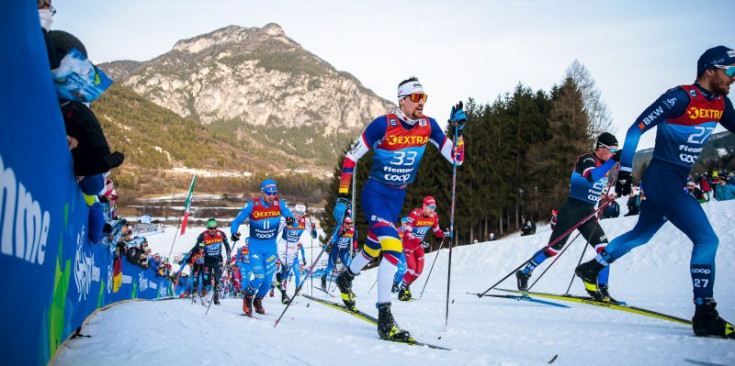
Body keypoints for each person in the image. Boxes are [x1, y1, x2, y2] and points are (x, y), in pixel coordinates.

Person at [575, 46, 735, 339]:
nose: (734, 78)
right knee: (707, 239)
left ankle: (591, 268)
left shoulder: (723, 104)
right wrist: (624, 170)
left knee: (641, 235)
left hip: (673, 180)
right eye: (731, 70)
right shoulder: (679, 97)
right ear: (710, 70)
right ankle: (705, 312)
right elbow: (636, 129)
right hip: (662, 179)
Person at [331, 77, 466, 341]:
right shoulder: (383, 124)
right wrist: (343, 196)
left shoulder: (429, 126)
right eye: (415, 98)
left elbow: (456, 159)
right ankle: (385, 317)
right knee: (392, 248)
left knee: (373, 247)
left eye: (424, 98)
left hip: (397, 197)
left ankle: (345, 278)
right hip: (376, 193)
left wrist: (459, 133)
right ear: (401, 100)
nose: (421, 103)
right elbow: (351, 158)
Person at [516, 132, 621, 303]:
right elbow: (590, 176)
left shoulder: (605, 164)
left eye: (616, 151)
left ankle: (602, 291)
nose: (613, 154)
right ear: (601, 147)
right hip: (572, 210)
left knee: (605, 250)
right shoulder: (587, 159)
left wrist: (605, 196)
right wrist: (613, 161)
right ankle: (525, 272)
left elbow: (593, 188)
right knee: (553, 249)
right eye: (612, 150)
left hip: (588, 213)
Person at [231, 179, 296, 316]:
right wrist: (234, 233)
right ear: (262, 192)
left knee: (267, 281)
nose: (272, 196)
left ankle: (258, 300)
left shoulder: (279, 203)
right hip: (255, 247)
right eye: (269, 193)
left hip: (271, 248)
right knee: (259, 276)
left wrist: (290, 219)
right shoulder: (252, 205)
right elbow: (236, 221)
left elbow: (289, 216)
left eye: (274, 193)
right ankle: (248, 297)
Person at [397, 196, 447, 301]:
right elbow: (407, 233)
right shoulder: (415, 214)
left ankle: (406, 286)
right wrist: (418, 241)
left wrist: (444, 234)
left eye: (434, 207)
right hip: (409, 244)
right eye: (431, 207)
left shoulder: (434, 216)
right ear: (424, 206)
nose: (433, 210)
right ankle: (401, 291)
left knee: (418, 271)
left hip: (418, 245)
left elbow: (436, 231)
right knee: (411, 268)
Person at [276, 203, 315, 304]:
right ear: (294, 211)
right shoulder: (286, 219)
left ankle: (279, 278)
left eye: (301, 213)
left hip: (294, 248)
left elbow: (313, 236)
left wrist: (314, 230)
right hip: (283, 245)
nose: (299, 215)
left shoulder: (305, 222)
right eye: (298, 213)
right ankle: (284, 296)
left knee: (287, 269)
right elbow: (277, 231)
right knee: (285, 267)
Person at [190, 219, 231, 305]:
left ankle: (216, 296)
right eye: (211, 228)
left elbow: (227, 246)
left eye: (214, 228)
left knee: (218, 278)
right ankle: (204, 291)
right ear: (208, 228)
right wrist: (200, 247)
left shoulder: (221, 234)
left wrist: (228, 256)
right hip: (207, 259)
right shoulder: (203, 235)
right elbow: (198, 246)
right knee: (206, 279)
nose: (213, 230)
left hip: (218, 259)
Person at [321, 214, 358, 291]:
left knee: (349, 267)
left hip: (344, 250)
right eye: (348, 223)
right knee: (331, 266)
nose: (350, 225)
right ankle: (323, 277)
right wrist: (340, 234)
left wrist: (354, 250)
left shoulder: (353, 230)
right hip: (335, 249)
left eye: (351, 223)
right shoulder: (339, 228)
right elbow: (333, 240)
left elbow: (354, 240)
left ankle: (349, 286)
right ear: (344, 223)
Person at [392, 217, 410, 293]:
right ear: (402, 223)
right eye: (406, 223)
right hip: (396, 252)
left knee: (405, 269)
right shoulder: (397, 231)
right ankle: (395, 284)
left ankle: (397, 283)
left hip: (404, 253)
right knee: (402, 269)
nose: (408, 225)